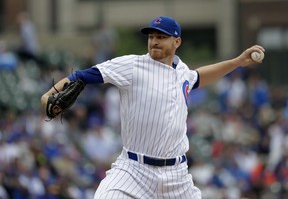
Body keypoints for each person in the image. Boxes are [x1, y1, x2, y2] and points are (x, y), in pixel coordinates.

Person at [41, 16, 265, 199]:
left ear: (176, 42)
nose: (154, 41)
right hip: (133, 170)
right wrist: (49, 95)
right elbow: (81, 76)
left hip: (177, 176)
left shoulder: (182, 72)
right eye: (151, 36)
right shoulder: (132, 65)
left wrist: (236, 62)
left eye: (161, 37)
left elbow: (198, 77)